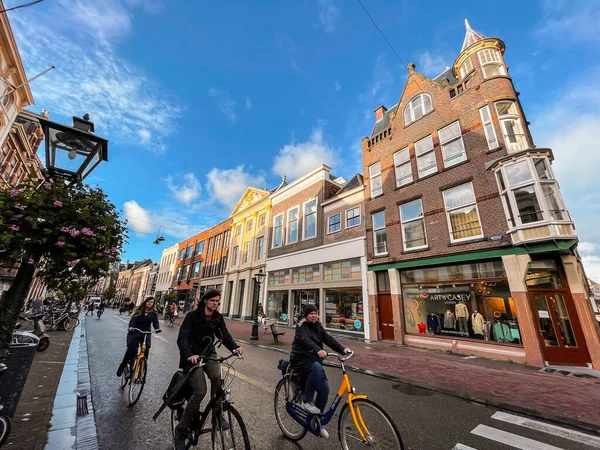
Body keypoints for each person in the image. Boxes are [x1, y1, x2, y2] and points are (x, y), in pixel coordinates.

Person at [173, 289, 243, 450]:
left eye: (217, 301)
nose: (215, 303)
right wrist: (189, 354)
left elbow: (224, 335)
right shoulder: (192, 317)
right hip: (192, 357)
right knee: (200, 391)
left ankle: (217, 416)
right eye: (212, 301)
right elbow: (182, 337)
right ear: (205, 301)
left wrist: (235, 348)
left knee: (217, 379)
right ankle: (181, 430)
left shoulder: (217, 318)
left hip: (209, 353)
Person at [289, 304, 351, 439]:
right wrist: (317, 349)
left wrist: (342, 349)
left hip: (313, 360)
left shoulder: (317, 325)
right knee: (317, 368)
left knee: (325, 390)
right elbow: (305, 340)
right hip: (301, 360)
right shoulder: (301, 326)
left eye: (316, 313)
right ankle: (307, 401)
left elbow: (327, 338)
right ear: (306, 315)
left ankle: (315, 422)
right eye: (311, 313)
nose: (314, 316)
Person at [116, 297, 161, 377]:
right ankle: (123, 365)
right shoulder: (139, 311)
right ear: (145, 302)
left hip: (146, 333)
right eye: (148, 302)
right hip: (135, 331)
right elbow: (133, 321)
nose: (150, 303)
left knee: (146, 348)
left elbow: (155, 322)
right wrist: (131, 327)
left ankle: (141, 371)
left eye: (151, 302)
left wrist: (157, 328)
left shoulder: (153, 313)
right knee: (131, 349)